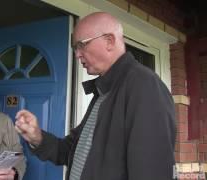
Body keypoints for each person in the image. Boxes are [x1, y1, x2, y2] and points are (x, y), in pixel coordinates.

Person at [15, 12, 176, 180]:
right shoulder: (104, 91)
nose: (77, 54)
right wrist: (37, 137)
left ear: (109, 41)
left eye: (81, 45)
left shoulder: (145, 86)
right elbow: (72, 150)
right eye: (75, 48)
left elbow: (152, 172)